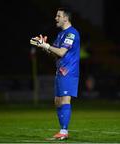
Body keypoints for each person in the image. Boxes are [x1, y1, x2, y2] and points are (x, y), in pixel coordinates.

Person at [30, 7, 80, 140]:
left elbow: (62, 52)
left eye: (58, 16)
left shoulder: (71, 34)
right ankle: (62, 132)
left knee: (64, 100)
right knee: (57, 101)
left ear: (66, 18)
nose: (55, 18)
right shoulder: (60, 34)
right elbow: (55, 53)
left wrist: (47, 46)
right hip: (60, 71)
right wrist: (43, 45)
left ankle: (64, 132)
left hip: (68, 71)